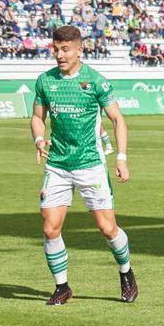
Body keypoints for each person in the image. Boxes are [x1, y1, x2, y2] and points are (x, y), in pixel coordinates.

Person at [30, 25, 137, 306]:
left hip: (90, 165)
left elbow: (118, 120)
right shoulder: (45, 81)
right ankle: (62, 286)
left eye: (65, 50)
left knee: (107, 228)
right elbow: (37, 117)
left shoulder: (95, 81)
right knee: (50, 228)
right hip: (57, 165)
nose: (59, 55)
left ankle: (126, 272)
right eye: (55, 49)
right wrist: (40, 138)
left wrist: (121, 158)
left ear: (79, 50)